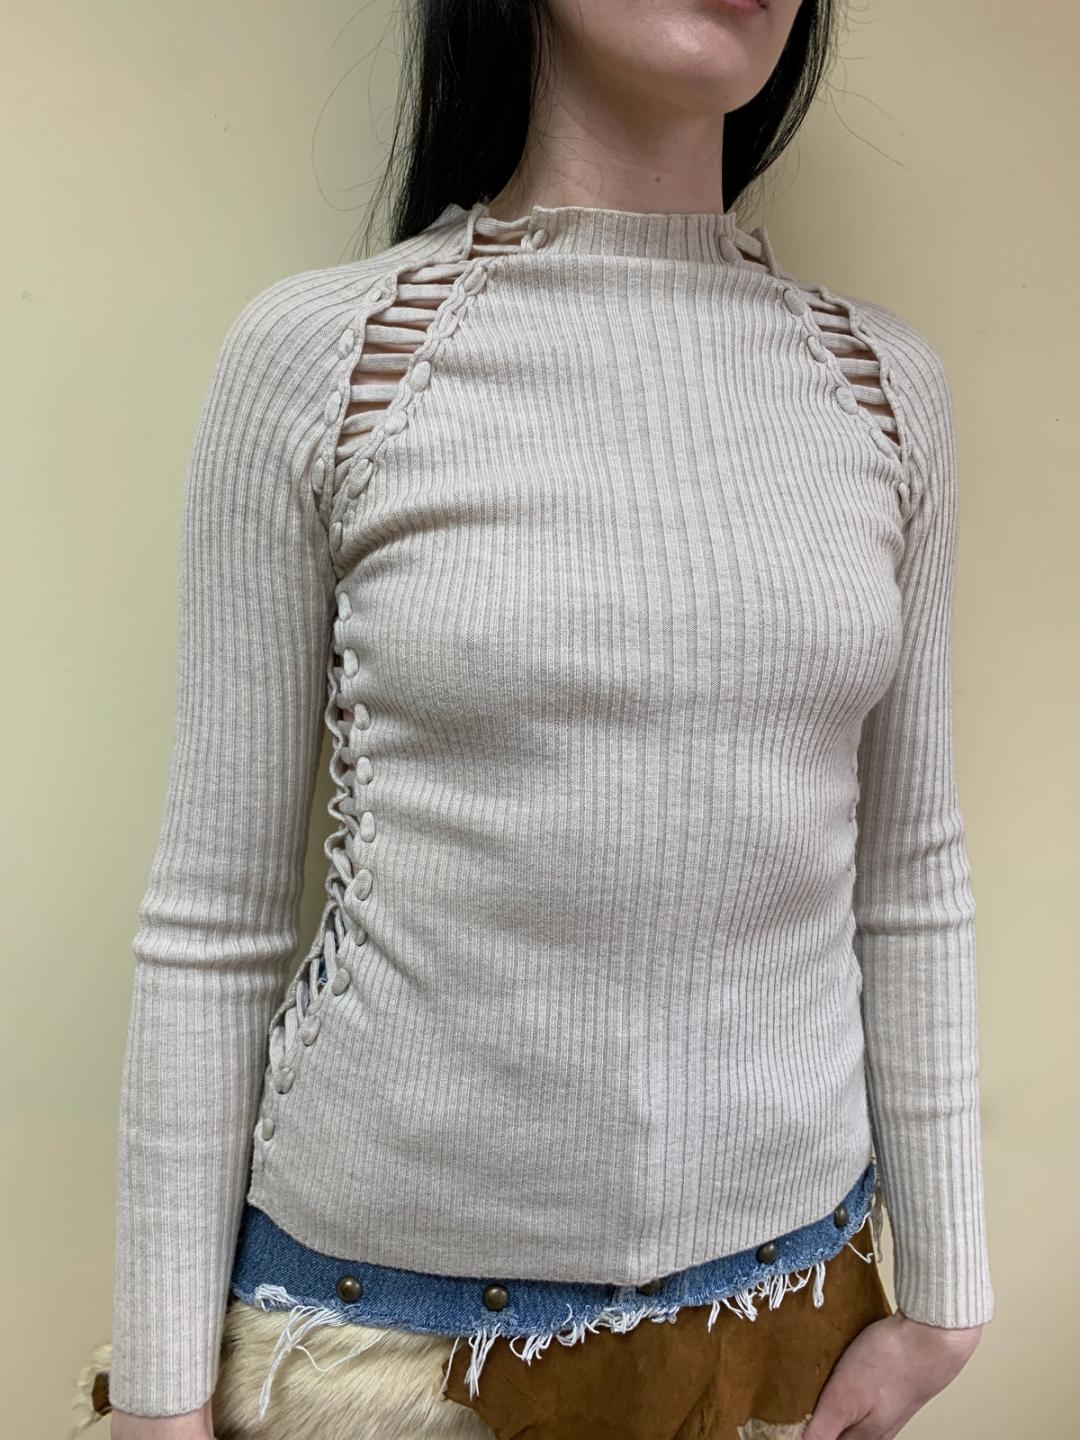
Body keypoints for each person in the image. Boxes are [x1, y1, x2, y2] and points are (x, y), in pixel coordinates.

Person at [76, 2, 995, 1437]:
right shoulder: (328, 358)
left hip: (785, 1330)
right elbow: (216, 916)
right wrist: (157, 1392)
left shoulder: (886, 391)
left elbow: (913, 877)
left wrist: (945, 1293)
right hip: (378, 1357)